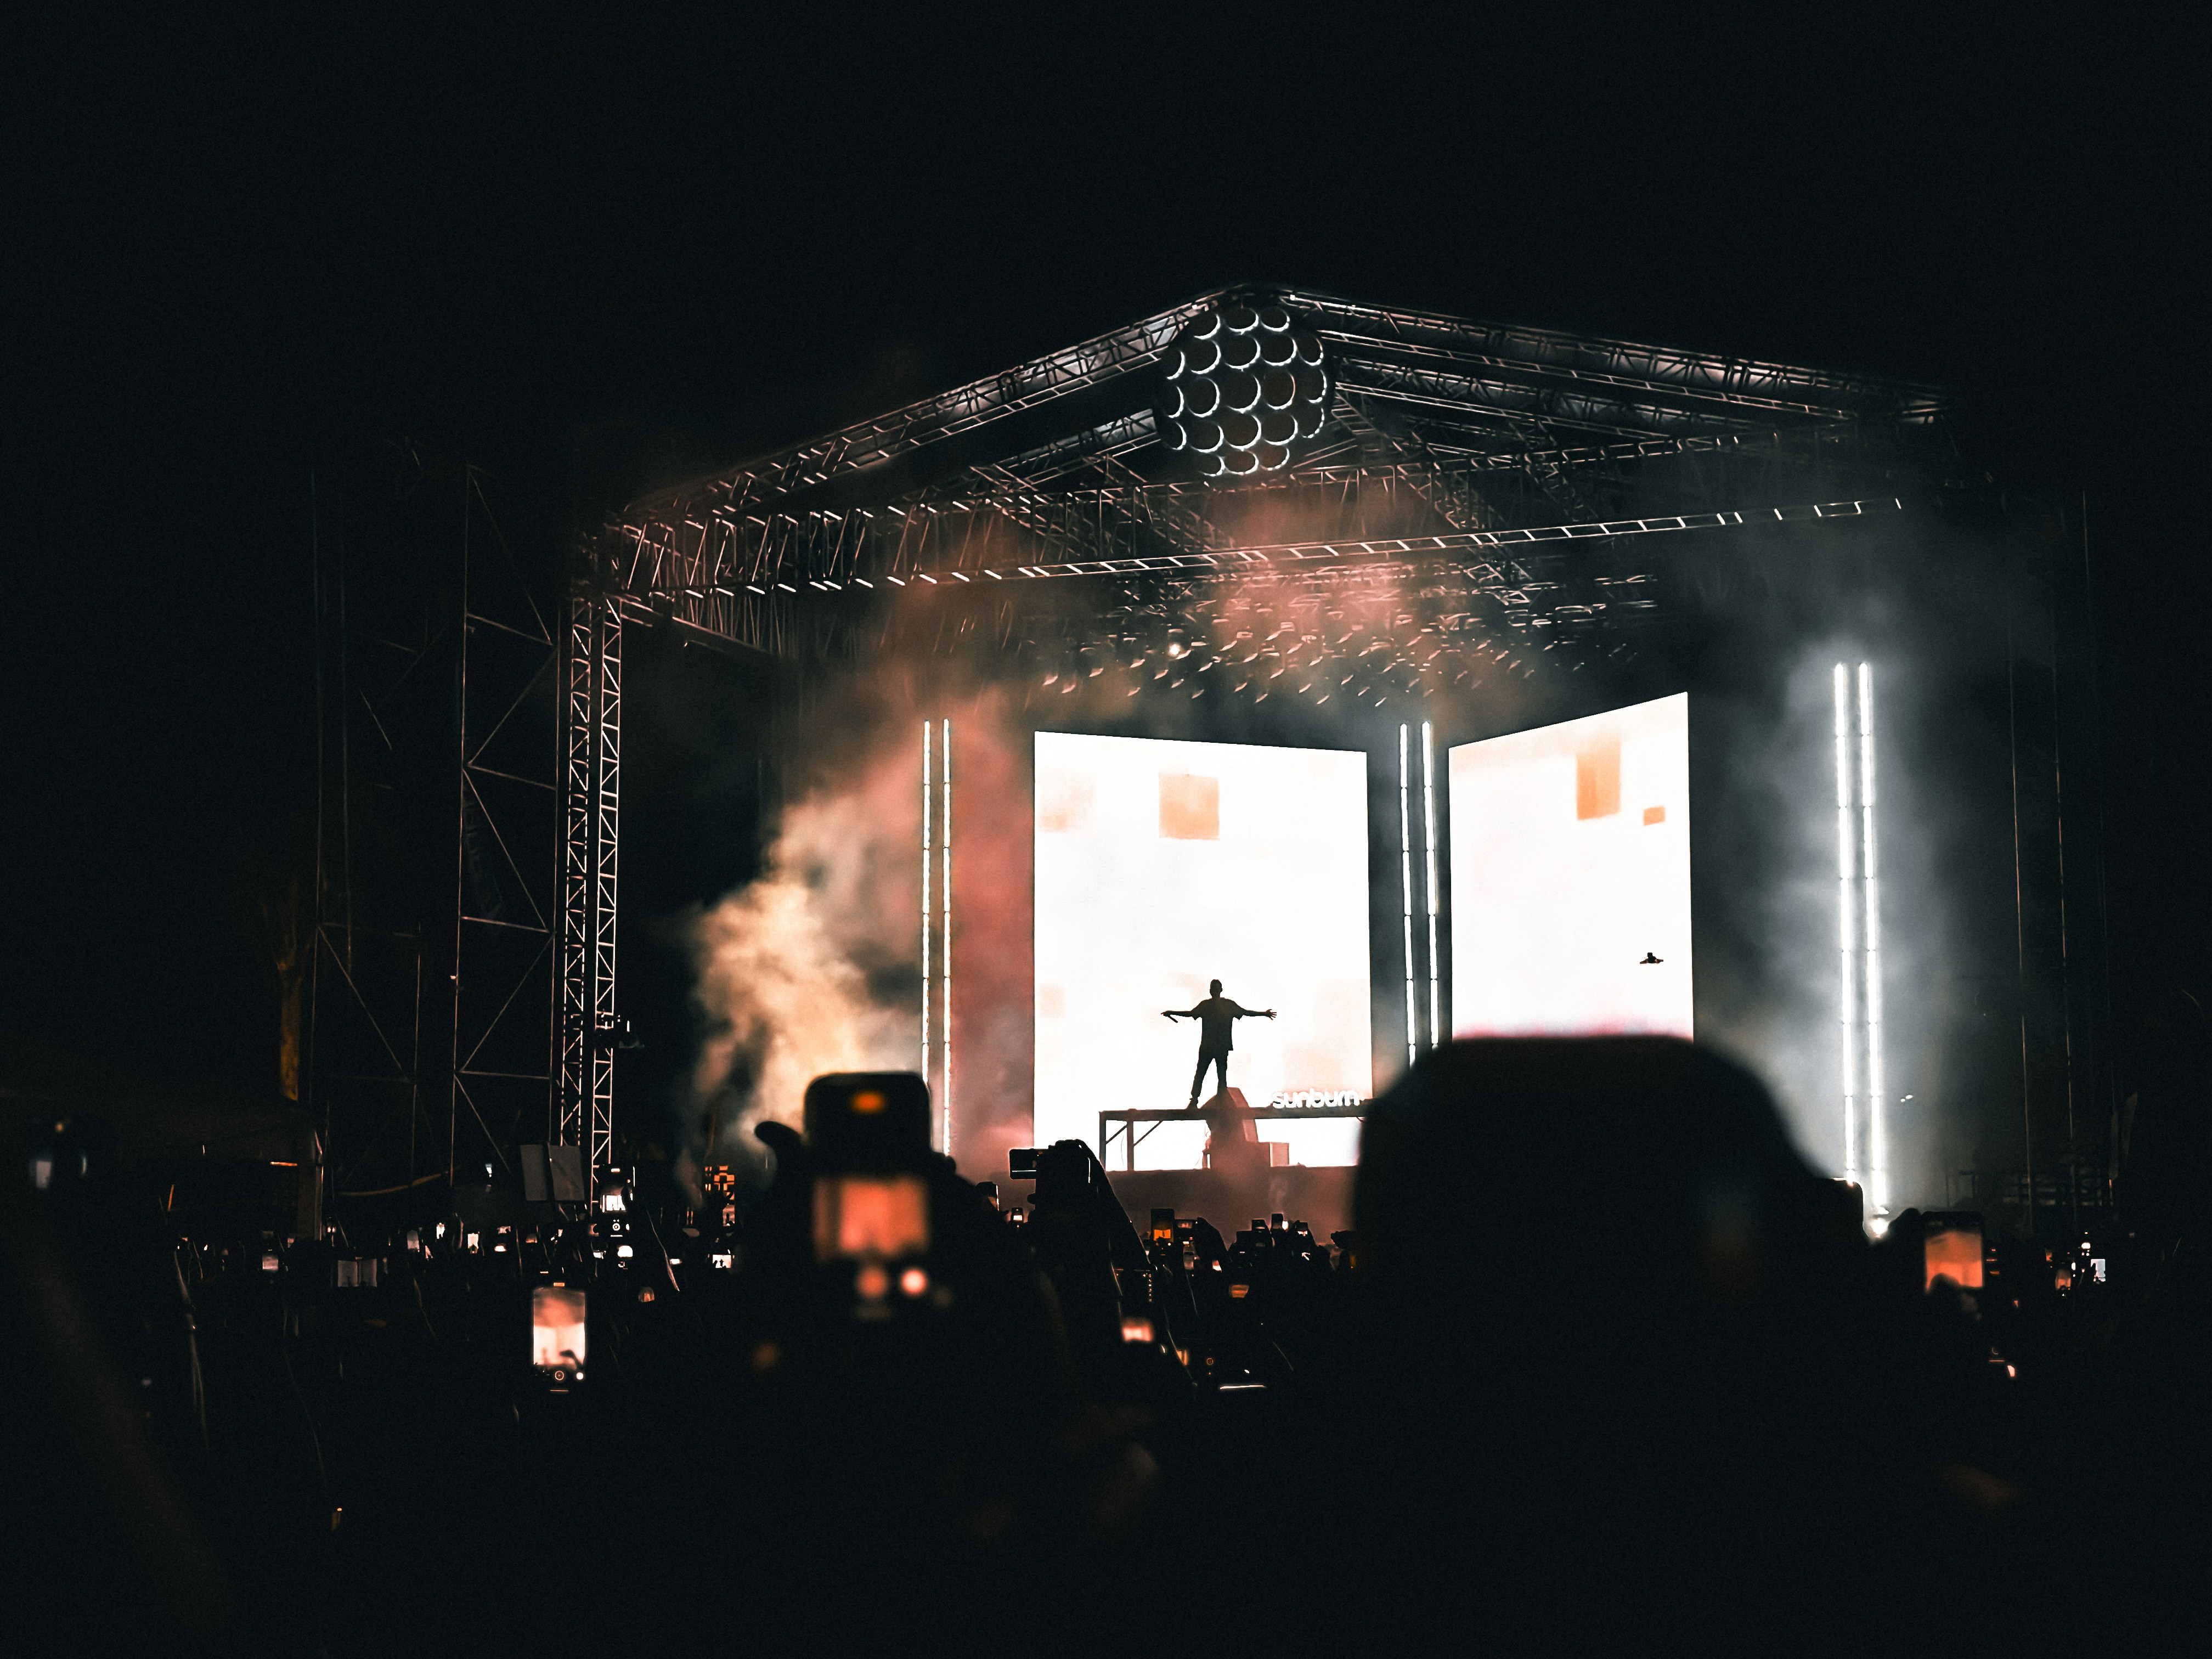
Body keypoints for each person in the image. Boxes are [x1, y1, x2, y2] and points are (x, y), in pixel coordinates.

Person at [1164, 979, 1275, 1107]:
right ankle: (1209, 1101)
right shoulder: (1225, 1005)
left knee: (1206, 1073)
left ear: (1213, 990)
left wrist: (1171, 1012)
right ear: (1218, 990)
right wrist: (1264, 1014)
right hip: (1217, 1046)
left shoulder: (1213, 1005)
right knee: (1216, 1074)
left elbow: (1190, 1014)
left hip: (1212, 1046)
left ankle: (1198, 1101)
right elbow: (1246, 1013)